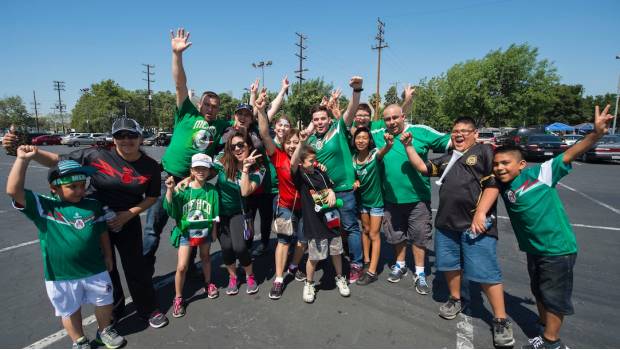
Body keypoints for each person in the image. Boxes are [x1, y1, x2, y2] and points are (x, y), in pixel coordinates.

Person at [3, 118, 169, 328]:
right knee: (107, 269)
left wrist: (127, 215)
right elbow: (57, 161)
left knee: (136, 267)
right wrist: (31, 152)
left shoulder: (150, 167)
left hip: (127, 221)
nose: (126, 140)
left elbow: (152, 197)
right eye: (120, 136)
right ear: (113, 138)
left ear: (140, 137)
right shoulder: (97, 155)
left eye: (131, 135)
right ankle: (114, 310)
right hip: (93, 220)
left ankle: (147, 308)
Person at [493, 106, 613, 349]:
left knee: (554, 298)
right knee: (539, 291)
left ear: (521, 164)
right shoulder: (502, 184)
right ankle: (543, 328)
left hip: (557, 249)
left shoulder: (540, 174)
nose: (500, 168)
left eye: (506, 163)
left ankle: (552, 343)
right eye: (497, 164)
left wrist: (596, 134)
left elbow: (569, 154)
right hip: (534, 249)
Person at [401, 117, 515, 347]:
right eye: (455, 131)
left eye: (464, 131)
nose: (458, 135)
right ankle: (456, 298)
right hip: (446, 224)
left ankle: (501, 319)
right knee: (450, 266)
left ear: (475, 134)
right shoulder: (450, 156)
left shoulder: (484, 151)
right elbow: (424, 168)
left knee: (486, 272)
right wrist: (408, 146)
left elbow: (493, 184)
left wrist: (481, 213)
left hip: (476, 226)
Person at [6, 152, 125, 349]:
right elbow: (13, 190)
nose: (80, 191)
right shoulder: (44, 206)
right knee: (69, 310)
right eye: (72, 187)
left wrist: (108, 255)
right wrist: (22, 160)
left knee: (105, 302)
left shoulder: (93, 205)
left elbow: (102, 232)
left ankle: (105, 330)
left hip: (95, 268)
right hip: (61, 274)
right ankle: (79, 341)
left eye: (82, 185)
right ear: (54, 188)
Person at [143, 27, 229, 277]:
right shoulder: (187, 112)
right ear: (199, 103)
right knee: (152, 228)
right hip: (167, 178)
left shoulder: (220, 125)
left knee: (193, 225)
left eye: (215, 107)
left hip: (194, 181)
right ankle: (144, 274)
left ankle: (189, 270)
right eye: (208, 105)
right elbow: (180, 83)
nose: (211, 110)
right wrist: (177, 55)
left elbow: (248, 121)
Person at [371, 104, 451, 294]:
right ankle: (400, 265)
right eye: (387, 119)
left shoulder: (420, 131)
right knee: (396, 235)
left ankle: (420, 273)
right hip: (391, 199)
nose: (391, 122)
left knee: (419, 237)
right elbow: (354, 122)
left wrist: (438, 167)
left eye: (395, 118)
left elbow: (451, 142)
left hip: (418, 199)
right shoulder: (378, 132)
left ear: (403, 116)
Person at [306, 76, 365, 283]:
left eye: (322, 118)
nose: (319, 122)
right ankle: (330, 259)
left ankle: (357, 264)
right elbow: (305, 157)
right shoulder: (312, 140)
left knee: (350, 227)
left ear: (329, 119)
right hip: (323, 193)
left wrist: (356, 90)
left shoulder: (338, 129)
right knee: (328, 227)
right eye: (316, 119)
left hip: (344, 189)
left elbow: (351, 109)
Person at [255, 91, 308, 299]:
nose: (293, 145)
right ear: (284, 144)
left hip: (305, 208)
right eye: (290, 142)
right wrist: (260, 110)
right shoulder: (278, 157)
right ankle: (278, 278)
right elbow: (264, 133)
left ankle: (294, 266)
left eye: (297, 141)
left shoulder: (306, 158)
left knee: (302, 242)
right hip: (285, 205)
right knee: (284, 241)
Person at [291, 143, 351, 303]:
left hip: (331, 221)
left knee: (336, 252)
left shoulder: (320, 172)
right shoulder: (301, 177)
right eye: (310, 161)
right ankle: (309, 283)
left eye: (315, 160)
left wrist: (331, 191)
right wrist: (301, 143)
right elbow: (292, 163)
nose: (314, 163)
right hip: (315, 223)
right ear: (301, 163)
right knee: (314, 257)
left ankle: (340, 278)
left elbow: (330, 187)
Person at [164, 153, 220, 318]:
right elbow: (171, 207)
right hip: (186, 232)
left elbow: (215, 213)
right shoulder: (184, 189)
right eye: (197, 168)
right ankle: (178, 297)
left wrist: (214, 230)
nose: (201, 171)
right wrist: (169, 189)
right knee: (182, 266)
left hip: (205, 230)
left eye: (204, 168)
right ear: (192, 170)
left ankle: (208, 283)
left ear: (209, 171)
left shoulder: (212, 191)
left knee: (205, 257)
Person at [213, 132, 264, 295]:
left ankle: (250, 275)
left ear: (248, 145)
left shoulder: (259, 168)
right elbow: (202, 169)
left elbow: (245, 191)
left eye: (241, 144)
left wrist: (246, 170)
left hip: (238, 212)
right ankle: (233, 277)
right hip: (220, 212)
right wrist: (188, 179)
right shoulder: (223, 160)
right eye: (233, 146)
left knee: (240, 247)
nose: (237, 148)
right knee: (226, 248)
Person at [351, 127, 393, 285]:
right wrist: (355, 181)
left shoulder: (375, 154)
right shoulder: (353, 157)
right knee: (365, 231)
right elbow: (353, 176)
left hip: (376, 203)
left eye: (364, 138)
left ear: (369, 141)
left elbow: (383, 151)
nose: (361, 141)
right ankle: (367, 260)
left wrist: (388, 145)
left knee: (375, 234)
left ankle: (372, 271)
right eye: (358, 138)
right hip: (362, 202)